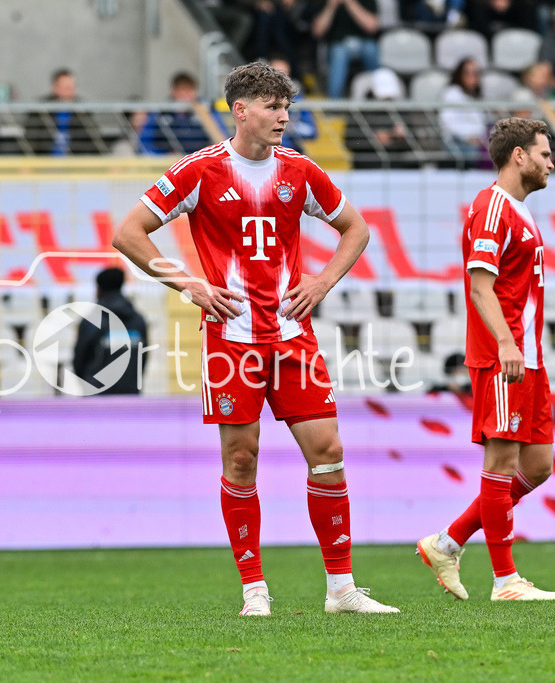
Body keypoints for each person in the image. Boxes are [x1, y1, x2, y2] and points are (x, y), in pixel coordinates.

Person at [112, 61, 398, 616]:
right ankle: (254, 591)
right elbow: (129, 234)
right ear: (239, 110)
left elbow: (356, 229)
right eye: (271, 106)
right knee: (241, 459)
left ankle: (341, 590)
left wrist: (321, 280)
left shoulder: (301, 171)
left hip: (293, 337)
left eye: (285, 107)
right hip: (231, 340)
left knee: (330, 453)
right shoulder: (200, 171)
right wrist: (190, 284)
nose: (283, 117)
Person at [417, 117, 555, 602]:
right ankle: (505, 581)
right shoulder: (491, 208)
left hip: (528, 357)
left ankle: (448, 542)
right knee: (501, 461)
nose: (551, 163)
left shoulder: (519, 210)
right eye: (544, 154)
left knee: (537, 465)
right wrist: (505, 343)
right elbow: (480, 287)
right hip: (505, 356)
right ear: (518, 155)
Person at [72, 267, 149, 395]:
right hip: (130, 395)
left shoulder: (92, 321)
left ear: (99, 289)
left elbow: (79, 359)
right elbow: (144, 357)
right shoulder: (137, 320)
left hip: (96, 397)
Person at [311, 0, 381, 100]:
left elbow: (372, 26)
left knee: (371, 49)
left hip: (364, 44)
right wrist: (331, 7)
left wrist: (350, 3)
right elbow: (317, 32)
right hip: (338, 45)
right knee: (339, 53)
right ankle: (335, 103)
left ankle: (379, 95)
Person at [138, 72, 212, 155]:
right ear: (173, 91)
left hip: (198, 160)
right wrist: (161, 156)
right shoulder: (160, 113)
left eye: (190, 90)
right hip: (168, 162)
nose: (185, 95)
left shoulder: (206, 112)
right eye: (182, 90)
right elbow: (145, 142)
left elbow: (220, 138)